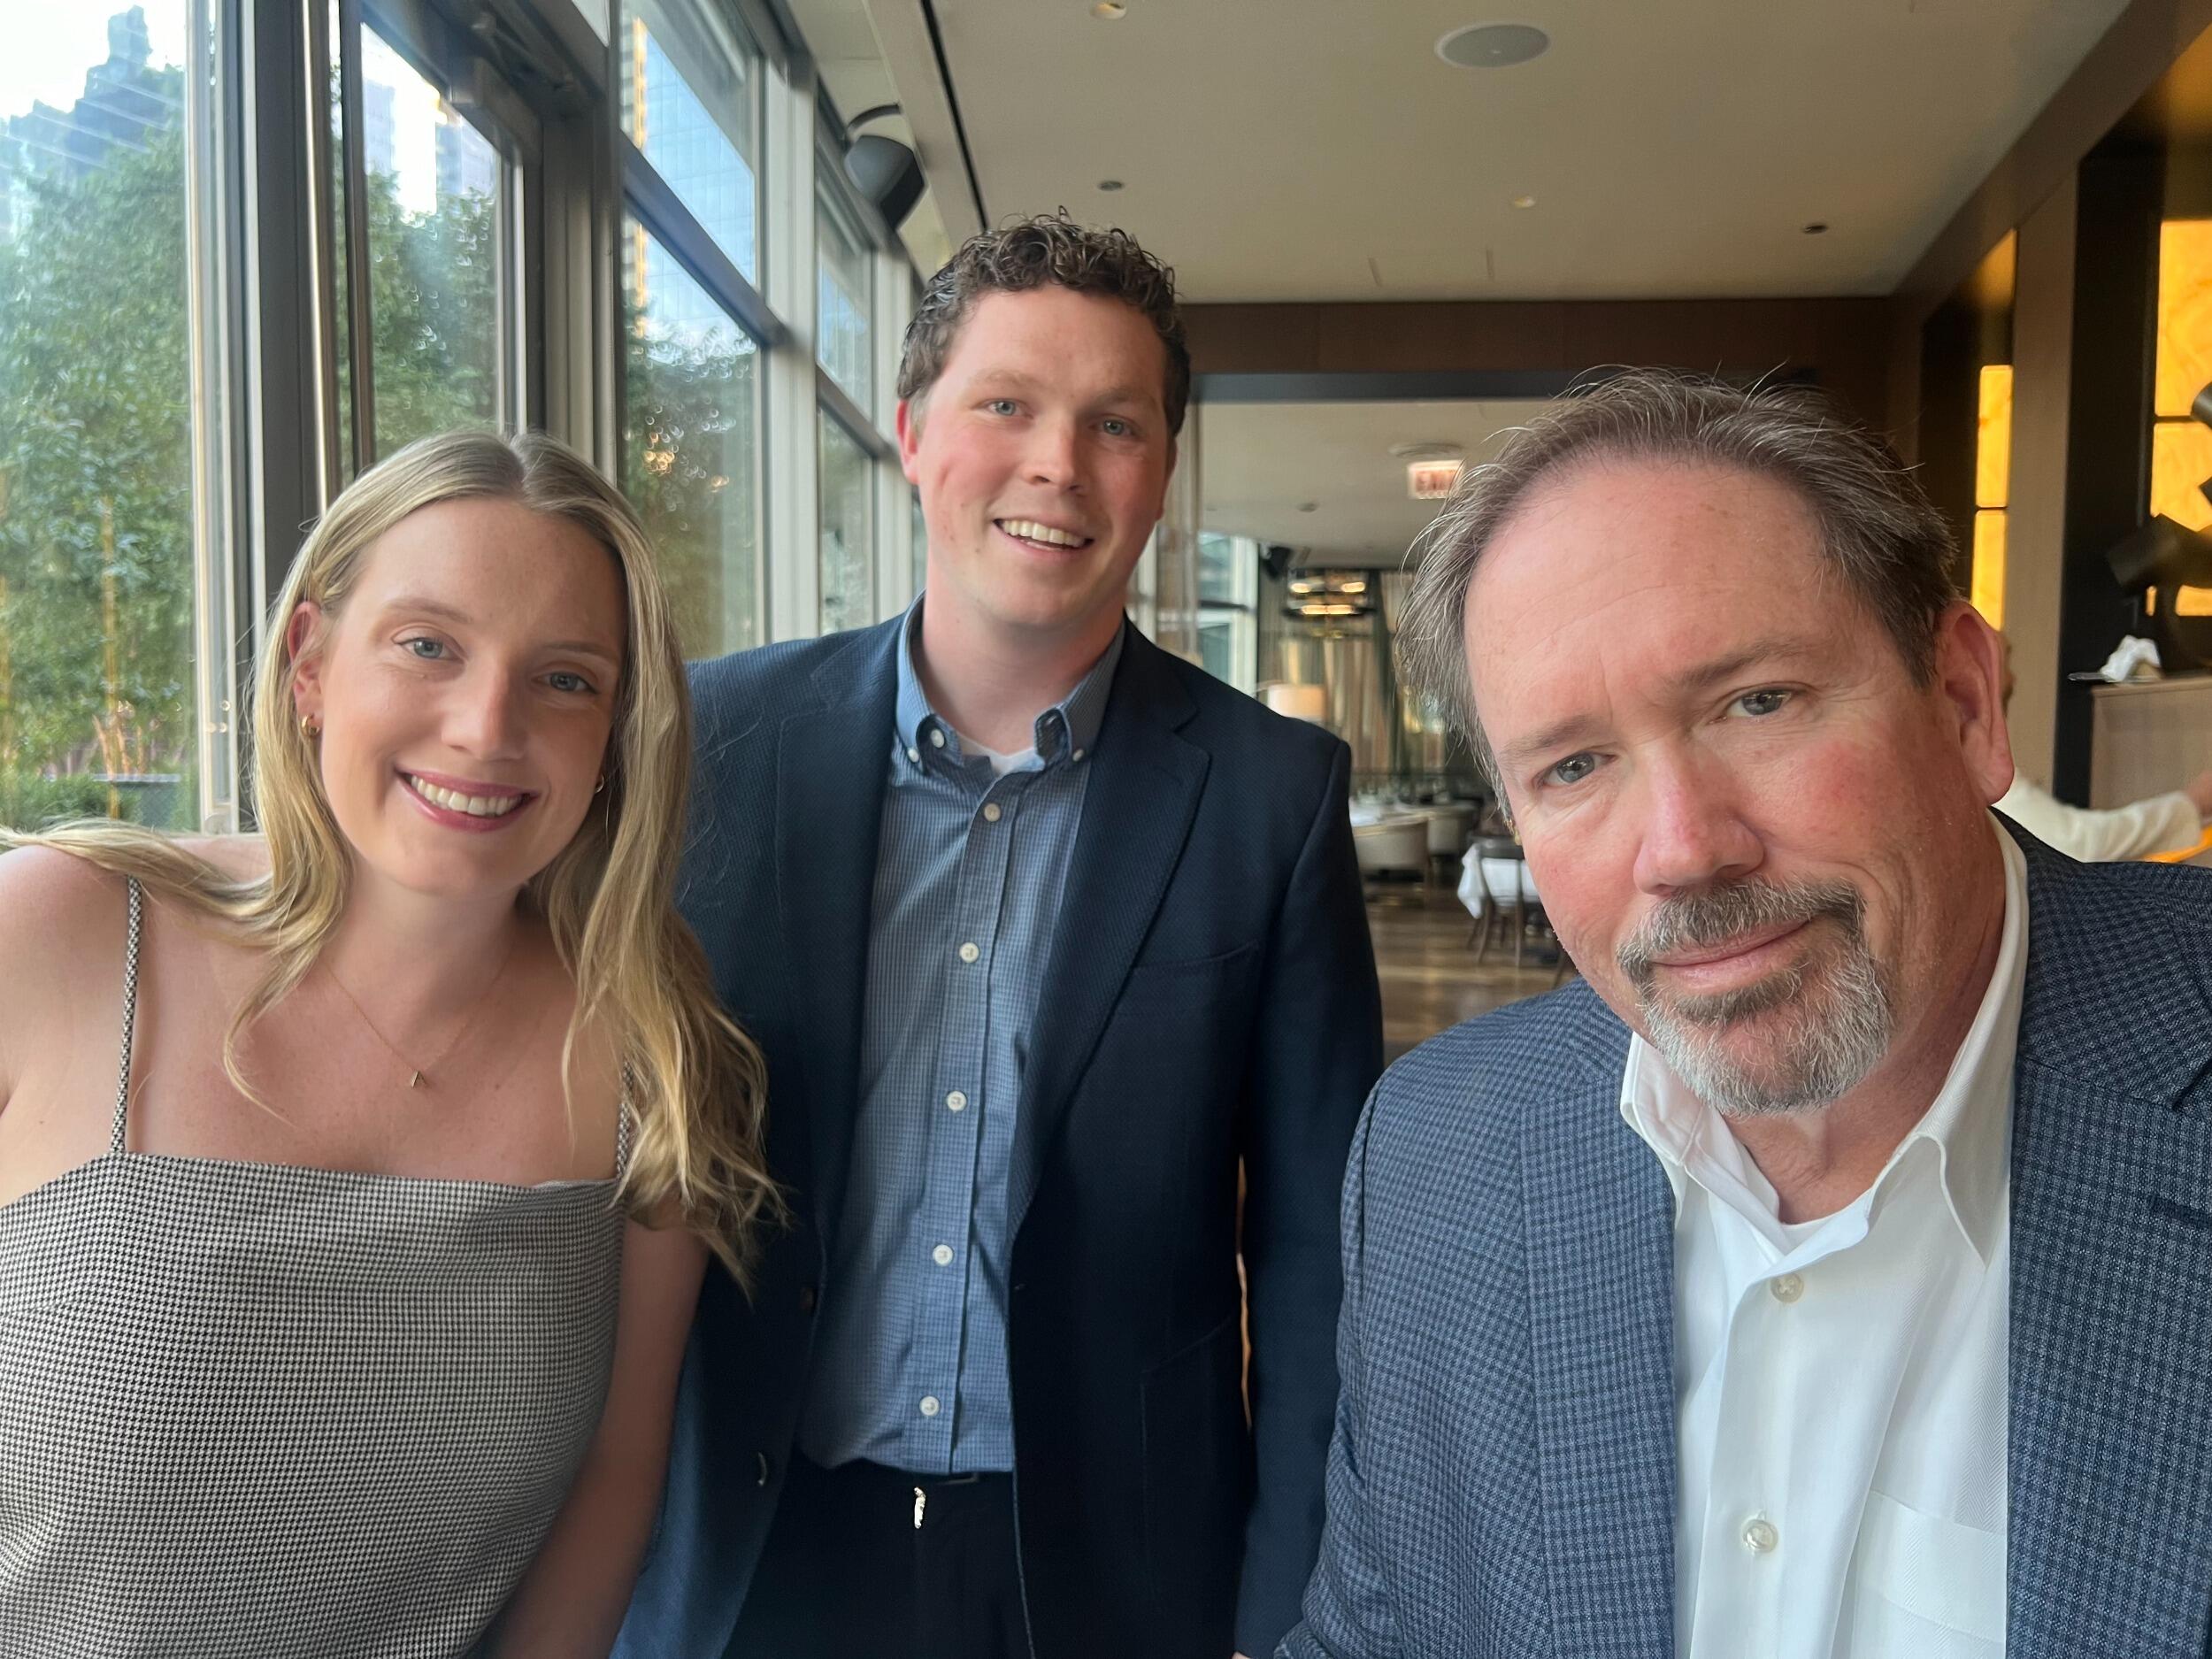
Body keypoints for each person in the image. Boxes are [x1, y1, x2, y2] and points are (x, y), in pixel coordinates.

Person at [1286, 372, 2212, 1658]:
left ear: (1965, 703)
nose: (1681, 849)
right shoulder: (1442, 1155)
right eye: (1573, 764)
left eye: (1756, 702)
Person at [617, 212, 1383, 1659]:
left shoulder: (1272, 796)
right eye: (1007, 406)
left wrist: (1293, 1608)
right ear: (912, 433)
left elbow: (1313, 1263)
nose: (1057, 464)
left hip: (1108, 1571)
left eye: (1116, 424)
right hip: (757, 1543)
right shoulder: (717, 741)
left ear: (1161, 474)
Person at [0, 430, 777, 1658]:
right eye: (428, 645)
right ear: (311, 663)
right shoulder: (56, 933)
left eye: (565, 678)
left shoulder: (648, 1037)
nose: (484, 725)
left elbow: (611, 1491)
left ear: (616, 735)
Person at [1993, 635, 2212, 859]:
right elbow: (2078, 845)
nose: (2014, 679)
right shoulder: (1986, 774)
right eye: (2003, 665)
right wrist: (2192, 804)